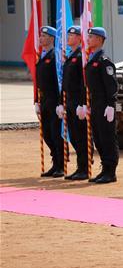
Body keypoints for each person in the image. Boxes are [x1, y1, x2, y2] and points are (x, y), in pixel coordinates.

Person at [84, 27, 119, 184]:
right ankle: (105, 169)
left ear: (99, 39)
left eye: (91, 37)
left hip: (105, 106)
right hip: (96, 105)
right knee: (98, 138)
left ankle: (110, 172)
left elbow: (111, 85)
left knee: (107, 138)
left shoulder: (104, 61)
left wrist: (111, 105)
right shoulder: (92, 59)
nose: (88, 39)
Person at [35, 26, 64, 177]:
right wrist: (37, 100)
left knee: (55, 133)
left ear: (52, 38)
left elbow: (59, 81)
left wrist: (60, 102)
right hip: (44, 99)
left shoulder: (54, 57)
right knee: (47, 134)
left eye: (44, 36)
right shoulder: (41, 56)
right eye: (40, 35)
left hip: (54, 99)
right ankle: (55, 162)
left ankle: (61, 165)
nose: (41, 38)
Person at [62, 27, 90, 181]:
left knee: (81, 136)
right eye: (68, 35)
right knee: (74, 136)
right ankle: (81, 166)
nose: (68, 37)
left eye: (72, 35)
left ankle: (84, 168)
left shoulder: (80, 57)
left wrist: (82, 103)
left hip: (78, 102)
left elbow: (82, 83)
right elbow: (65, 82)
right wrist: (61, 103)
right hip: (70, 101)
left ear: (80, 38)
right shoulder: (70, 56)